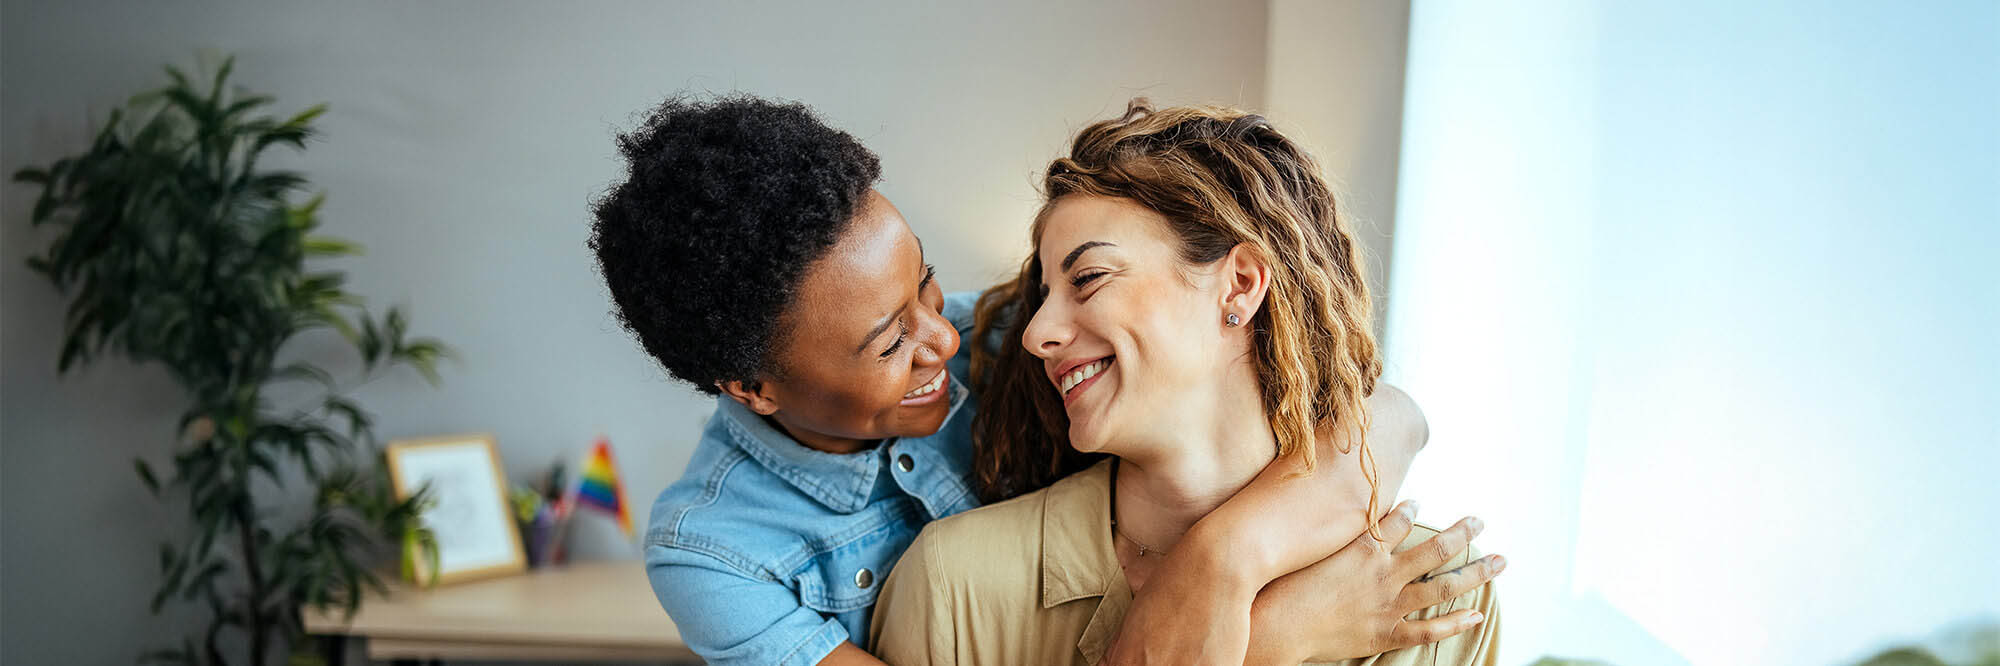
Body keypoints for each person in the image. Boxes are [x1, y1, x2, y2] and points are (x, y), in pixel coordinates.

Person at [590, 96, 1495, 666]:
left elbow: (1390, 416)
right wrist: (1272, 643)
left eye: (927, 284)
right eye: (887, 341)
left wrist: (1223, 563)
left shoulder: (1011, 336)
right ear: (754, 387)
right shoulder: (713, 551)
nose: (946, 339)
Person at [869, 101, 1502, 665]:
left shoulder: (1434, 600)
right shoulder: (952, 587)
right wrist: (1265, 644)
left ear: (1241, 285)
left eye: (1086, 278)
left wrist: (1226, 564)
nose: (1035, 335)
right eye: (1042, 297)